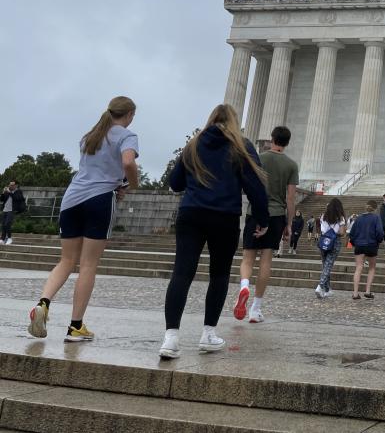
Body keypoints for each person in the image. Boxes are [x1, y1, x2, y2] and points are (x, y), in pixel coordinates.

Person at [159, 103, 270, 359]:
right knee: (219, 275)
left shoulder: (194, 145)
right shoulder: (241, 146)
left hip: (191, 213)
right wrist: (262, 218)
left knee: (181, 273)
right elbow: (255, 187)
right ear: (233, 121)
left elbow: (175, 183)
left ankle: (171, 338)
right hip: (224, 216)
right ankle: (208, 333)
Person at [28, 96, 138, 342]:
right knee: (88, 265)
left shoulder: (90, 136)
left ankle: (43, 303)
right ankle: (75, 326)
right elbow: (128, 162)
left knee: (66, 260)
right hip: (99, 200)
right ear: (129, 114)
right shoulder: (127, 136)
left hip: (71, 199)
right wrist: (132, 184)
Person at [235, 125, 299, 324]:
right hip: (277, 215)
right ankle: (255, 308)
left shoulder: (259, 158)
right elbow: (290, 197)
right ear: (287, 142)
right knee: (266, 259)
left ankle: (244, 286)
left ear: (272, 139)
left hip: (256, 211)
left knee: (247, 257)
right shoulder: (291, 165)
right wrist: (289, 224)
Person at [349, 200, 383, 299]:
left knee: (358, 268)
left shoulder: (358, 218)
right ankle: (367, 291)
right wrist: (378, 241)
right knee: (372, 268)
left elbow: (352, 233)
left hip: (359, 245)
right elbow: (380, 232)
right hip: (372, 245)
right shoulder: (376, 217)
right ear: (375, 208)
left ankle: (355, 293)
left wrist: (355, 243)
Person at [315, 198, 346, 298]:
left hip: (323, 241)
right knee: (328, 265)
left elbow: (321, 229)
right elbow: (341, 232)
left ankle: (328, 290)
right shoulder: (340, 218)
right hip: (334, 242)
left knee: (325, 265)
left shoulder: (324, 216)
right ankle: (320, 287)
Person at [1, 181, 26, 245]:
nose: (10, 186)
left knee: (7, 224)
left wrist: (10, 193)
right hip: (5, 210)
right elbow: (2, 199)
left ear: (16, 186)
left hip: (12, 210)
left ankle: (9, 238)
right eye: (9, 184)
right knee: (3, 225)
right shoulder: (7, 191)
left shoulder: (18, 191)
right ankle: (2, 239)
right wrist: (3, 193)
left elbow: (17, 198)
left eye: (12, 185)